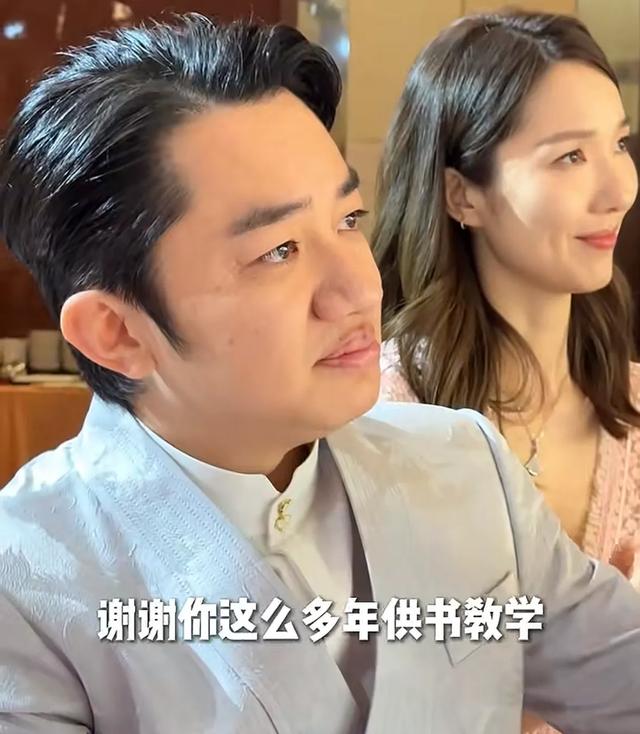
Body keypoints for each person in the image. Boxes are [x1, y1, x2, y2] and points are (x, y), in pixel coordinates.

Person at [0, 14, 639, 734]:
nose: (360, 289)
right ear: (117, 332)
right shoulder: (26, 583)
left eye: (348, 220)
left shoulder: (464, 465)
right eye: (278, 251)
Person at [373, 9, 640, 733]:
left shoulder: (631, 403)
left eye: (619, 144)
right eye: (569, 157)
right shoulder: (379, 414)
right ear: (463, 194)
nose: (617, 189)